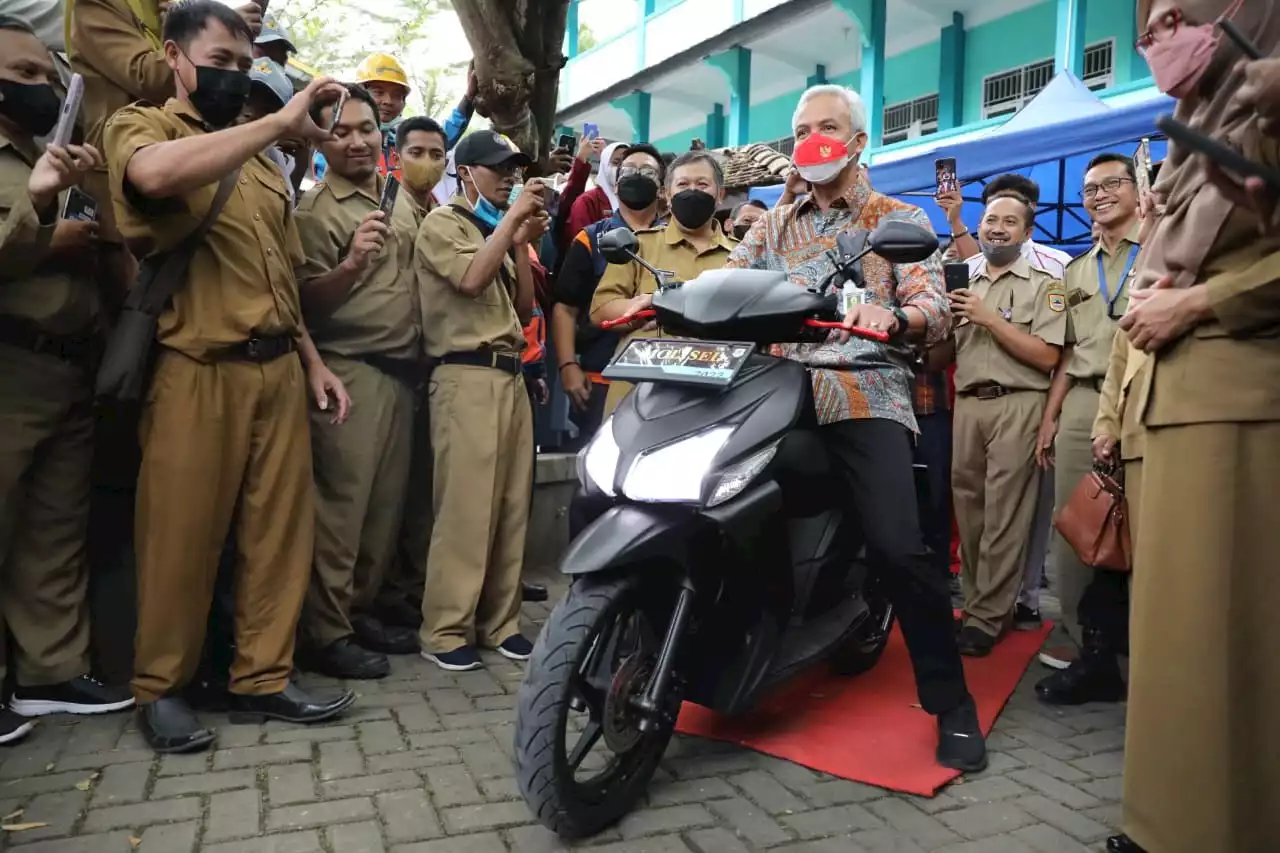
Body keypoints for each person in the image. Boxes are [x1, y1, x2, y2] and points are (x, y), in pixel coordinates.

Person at [102, 0, 355, 752]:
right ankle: (161, 688)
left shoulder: (264, 163)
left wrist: (314, 362)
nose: (233, 77)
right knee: (180, 535)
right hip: (196, 368)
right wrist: (276, 126)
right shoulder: (140, 125)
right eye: (219, 62)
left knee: (279, 534)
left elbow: (280, 276)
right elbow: (150, 178)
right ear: (176, 59)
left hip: (277, 368)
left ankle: (263, 675)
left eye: (244, 67)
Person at [727, 83, 986, 771]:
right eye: (803, 127)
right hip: (775, 388)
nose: (813, 138)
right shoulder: (774, 224)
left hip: (862, 388)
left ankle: (952, 702)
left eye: (829, 126)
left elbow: (932, 302)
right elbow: (729, 280)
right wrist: (665, 296)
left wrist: (896, 318)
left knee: (901, 547)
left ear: (858, 140)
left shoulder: (893, 217)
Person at [1107, 2, 1280, 851]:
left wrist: (1199, 300)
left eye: (1179, 8)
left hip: (1239, 403)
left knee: (1223, 651)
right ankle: (1167, 825)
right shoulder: (1203, 115)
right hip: (1174, 405)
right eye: (1147, 20)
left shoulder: (1268, 92)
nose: (1161, 28)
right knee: (1175, 653)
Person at [0, 15, 136, 745]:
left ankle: (49, 671)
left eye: (47, 77)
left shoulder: (51, 152)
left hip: (70, 364)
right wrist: (45, 211)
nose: (43, 88)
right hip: (11, 366)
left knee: (53, 531)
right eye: (23, 76)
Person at [291, 83, 422, 680]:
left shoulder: (397, 198)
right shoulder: (315, 211)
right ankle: (325, 632)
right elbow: (302, 306)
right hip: (349, 371)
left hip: (401, 374)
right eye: (339, 131)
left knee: (381, 513)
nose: (356, 141)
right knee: (341, 512)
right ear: (320, 139)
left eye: (365, 129)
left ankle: (358, 611)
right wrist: (350, 266)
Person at [414, 130, 547, 671]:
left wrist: (517, 240)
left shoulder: (494, 228)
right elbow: (469, 281)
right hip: (464, 375)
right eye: (498, 168)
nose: (510, 176)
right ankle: (445, 629)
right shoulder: (444, 223)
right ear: (465, 172)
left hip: (508, 373)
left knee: (512, 506)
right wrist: (513, 222)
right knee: (465, 508)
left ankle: (500, 622)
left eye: (513, 168)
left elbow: (521, 310)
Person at [1033, 153, 1141, 696]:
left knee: (1145, 525)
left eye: (1110, 184)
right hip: (1082, 398)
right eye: (1089, 189)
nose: (1098, 195)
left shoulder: (1164, 247)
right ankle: (1088, 648)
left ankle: (1147, 647)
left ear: (1137, 189)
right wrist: (1051, 419)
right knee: (1077, 521)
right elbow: (1066, 351)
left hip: (1145, 397)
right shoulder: (1074, 272)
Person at [949, 192, 1068, 658]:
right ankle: (979, 603)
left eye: (1010, 222)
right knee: (970, 511)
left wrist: (989, 320)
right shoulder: (964, 277)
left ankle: (988, 617)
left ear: (1027, 232)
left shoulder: (1046, 281)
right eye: (991, 219)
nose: (998, 228)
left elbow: (1049, 355)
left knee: (1005, 513)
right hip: (968, 402)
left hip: (1019, 402)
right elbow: (950, 348)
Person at [590, 150, 735, 415]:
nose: (692, 191)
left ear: (720, 194)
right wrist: (648, 305)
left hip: (716, 392)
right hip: (640, 390)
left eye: (702, 184)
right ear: (667, 195)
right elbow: (600, 310)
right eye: (682, 184)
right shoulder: (639, 244)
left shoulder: (741, 255)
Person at [554, 143, 666, 446]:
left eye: (647, 172)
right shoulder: (590, 239)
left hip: (663, 379)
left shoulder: (672, 240)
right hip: (599, 376)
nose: (637, 177)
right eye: (628, 171)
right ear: (615, 183)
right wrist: (567, 366)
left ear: (661, 187)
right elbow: (565, 307)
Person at [563, 140, 627, 245]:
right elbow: (580, 244)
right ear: (605, 165)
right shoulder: (587, 201)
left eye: (626, 165)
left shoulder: (633, 201)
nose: (621, 169)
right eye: (616, 163)